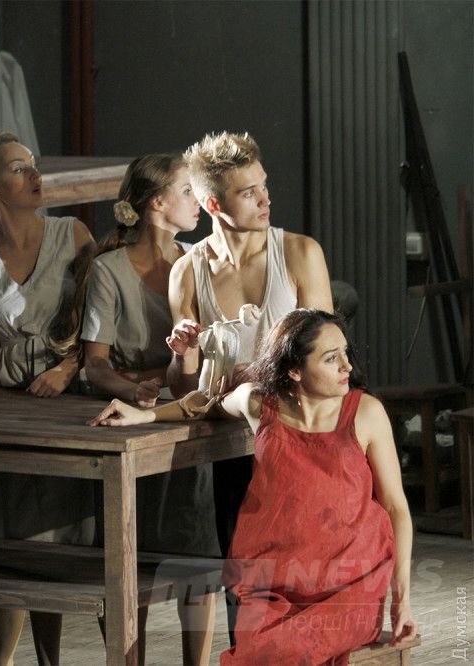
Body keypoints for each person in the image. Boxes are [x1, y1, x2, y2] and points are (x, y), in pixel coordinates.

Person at [90, 309, 417, 664]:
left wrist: (402, 599)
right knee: (259, 652)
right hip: (275, 586)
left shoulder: (366, 413)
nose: (347, 366)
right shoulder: (260, 405)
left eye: (345, 353)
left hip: (348, 585)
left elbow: (395, 508)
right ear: (294, 370)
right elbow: (206, 403)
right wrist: (145, 414)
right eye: (330, 358)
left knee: (287, 651)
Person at [165, 131, 334, 639]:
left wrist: (260, 375)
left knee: (306, 587)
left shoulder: (299, 253)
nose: (265, 199)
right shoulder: (187, 271)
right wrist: (183, 352)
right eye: (248, 192)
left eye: (264, 186)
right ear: (213, 205)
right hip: (233, 449)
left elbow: (328, 359)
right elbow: (184, 385)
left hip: (301, 442)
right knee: (245, 588)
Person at [0, 123, 96, 666]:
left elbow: (101, 322)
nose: (35, 175)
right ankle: (3, 661)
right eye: (18, 168)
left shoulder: (73, 235)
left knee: (59, 540)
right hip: (9, 401)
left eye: (34, 165)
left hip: (69, 397)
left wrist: (68, 368)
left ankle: (54, 658)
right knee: (10, 543)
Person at [80, 154, 217, 665]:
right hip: (128, 422)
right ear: (157, 202)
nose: (197, 201)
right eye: (187, 191)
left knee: (195, 550)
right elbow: (96, 365)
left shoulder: (199, 261)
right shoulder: (109, 269)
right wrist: (132, 387)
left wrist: (165, 378)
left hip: (185, 411)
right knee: (126, 551)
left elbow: (207, 349)